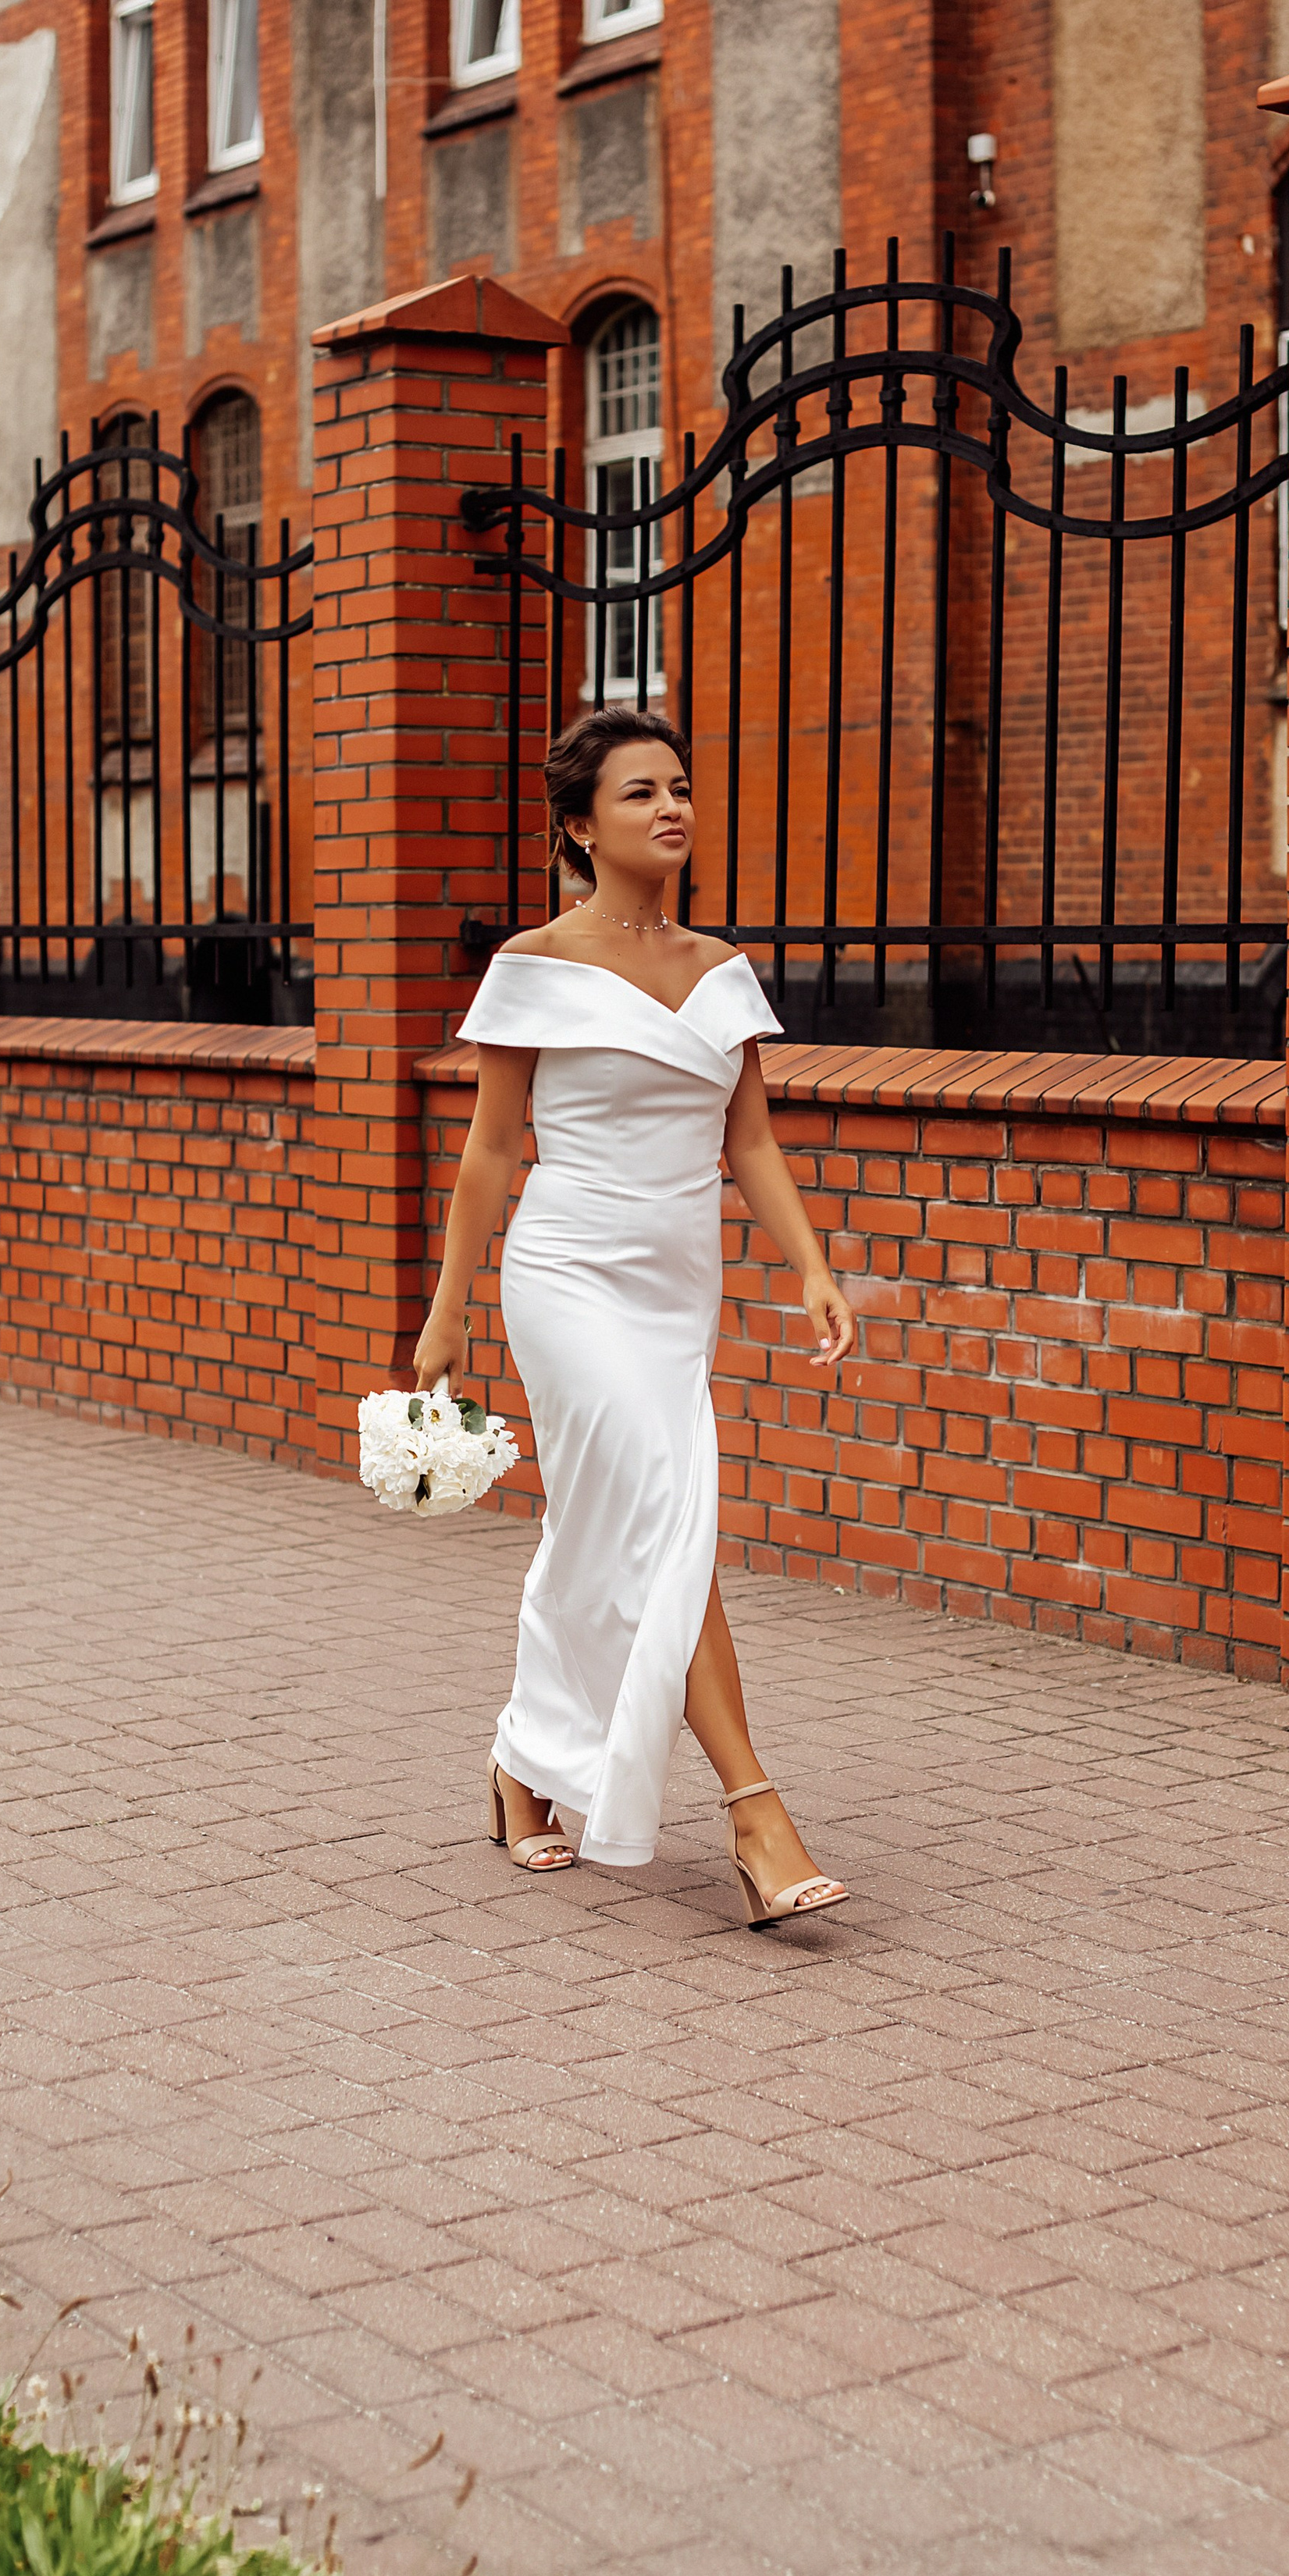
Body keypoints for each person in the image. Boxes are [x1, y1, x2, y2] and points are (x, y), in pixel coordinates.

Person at [412, 703, 855, 1929]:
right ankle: (756, 1814)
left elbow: (750, 1138)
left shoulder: (720, 968)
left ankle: (521, 1763)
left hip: (676, 1287)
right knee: (667, 1511)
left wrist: (813, 1265)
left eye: (681, 788)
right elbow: (491, 1155)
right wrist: (447, 1315)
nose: (672, 809)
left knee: (610, 1530)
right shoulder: (533, 965)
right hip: (567, 1275)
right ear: (578, 827)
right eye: (640, 793)